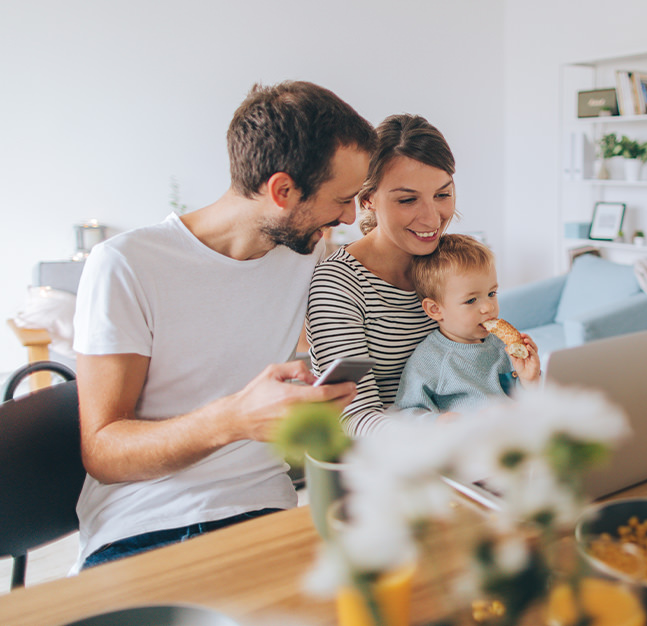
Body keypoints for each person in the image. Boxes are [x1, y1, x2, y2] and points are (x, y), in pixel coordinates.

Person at [72, 80, 377, 569]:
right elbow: (103, 451)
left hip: (266, 515)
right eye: (342, 199)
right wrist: (234, 419)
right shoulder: (127, 264)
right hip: (146, 526)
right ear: (282, 190)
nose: (348, 216)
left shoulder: (310, 254)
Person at [305, 114, 456, 437]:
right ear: (368, 199)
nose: (432, 218)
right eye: (407, 199)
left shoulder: (453, 263)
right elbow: (354, 417)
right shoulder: (339, 284)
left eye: (442, 195)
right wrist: (439, 430)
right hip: (388, 463)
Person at [392, 234, 540, 421]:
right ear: (435, 309)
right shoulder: (430, 359)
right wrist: (438, 422)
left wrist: (529, 380)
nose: (489, 307)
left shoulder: (502, 346)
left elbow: (526, 401)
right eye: (471, 300)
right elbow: (406, 413)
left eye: (491, 293)